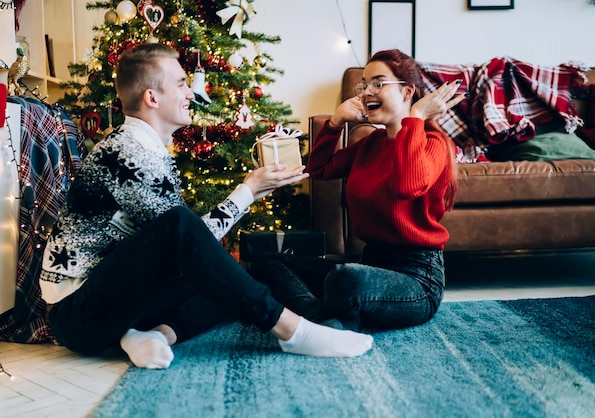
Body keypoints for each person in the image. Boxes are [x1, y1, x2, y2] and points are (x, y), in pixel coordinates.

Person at [39, 43, 373, 369]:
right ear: (151, 98)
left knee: (228, 279)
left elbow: (188, 248)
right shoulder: (127, 153)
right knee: (189, 236)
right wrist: (247, 191)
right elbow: (183, 236)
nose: (191, 93)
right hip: (77, 313)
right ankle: (292, 331)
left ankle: (155, 335)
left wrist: (254, 191)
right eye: (182, 84)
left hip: (111, 302)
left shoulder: (147, 146)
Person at [250, 49, 464, 331]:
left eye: (378, 83)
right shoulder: (371, 143)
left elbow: (406, 186)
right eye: (364, 84)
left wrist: (417, 117)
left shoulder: (432, 143)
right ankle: (317, 319)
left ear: (407, 91)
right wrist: (335, 122)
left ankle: (312, 318)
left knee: (346, 280)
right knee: (266, 263)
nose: (367, 92)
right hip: (370, 263)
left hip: (417, 278)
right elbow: (320, 169)